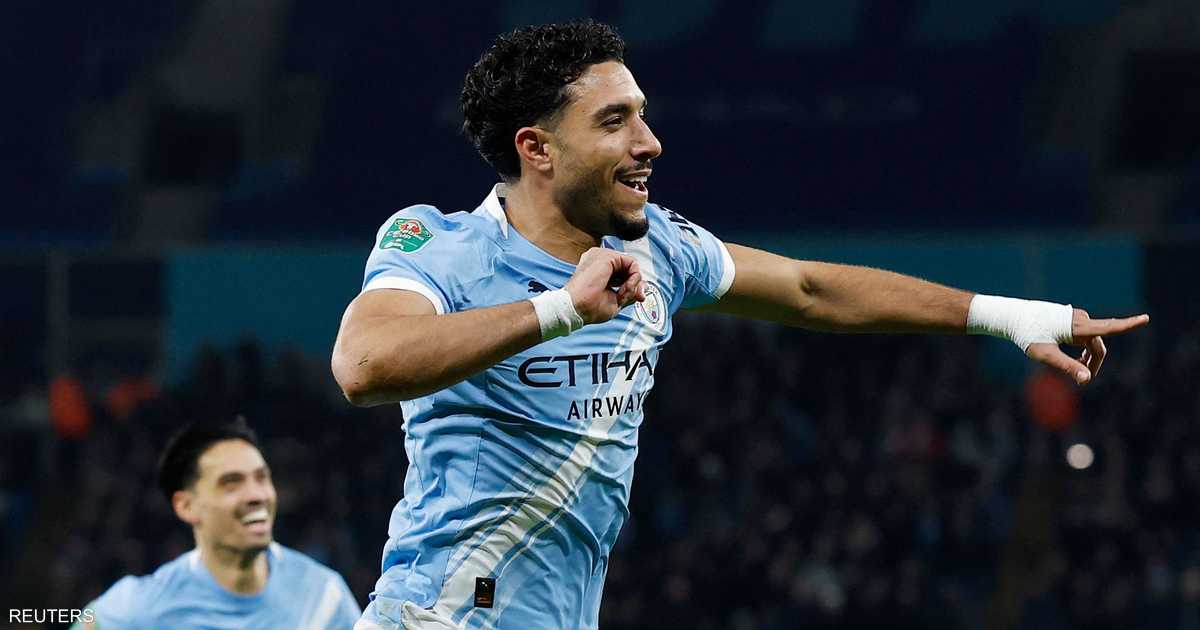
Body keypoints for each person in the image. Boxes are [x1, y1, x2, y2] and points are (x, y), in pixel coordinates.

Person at [330, 20, 1149, 630]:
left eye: (643, 115)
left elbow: (809, 289)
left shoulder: (660, 250)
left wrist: (1014, 317)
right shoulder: (440, 245)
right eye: (614, 121)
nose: (650, 142)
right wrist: (561, 309)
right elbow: (364, 366)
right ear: (536, 149)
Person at [76, 418, 361, 629]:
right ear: (186, 506)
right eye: (231, 483)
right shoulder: (142, 607)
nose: (257, 495)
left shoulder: (323, 596)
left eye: (262, 478)